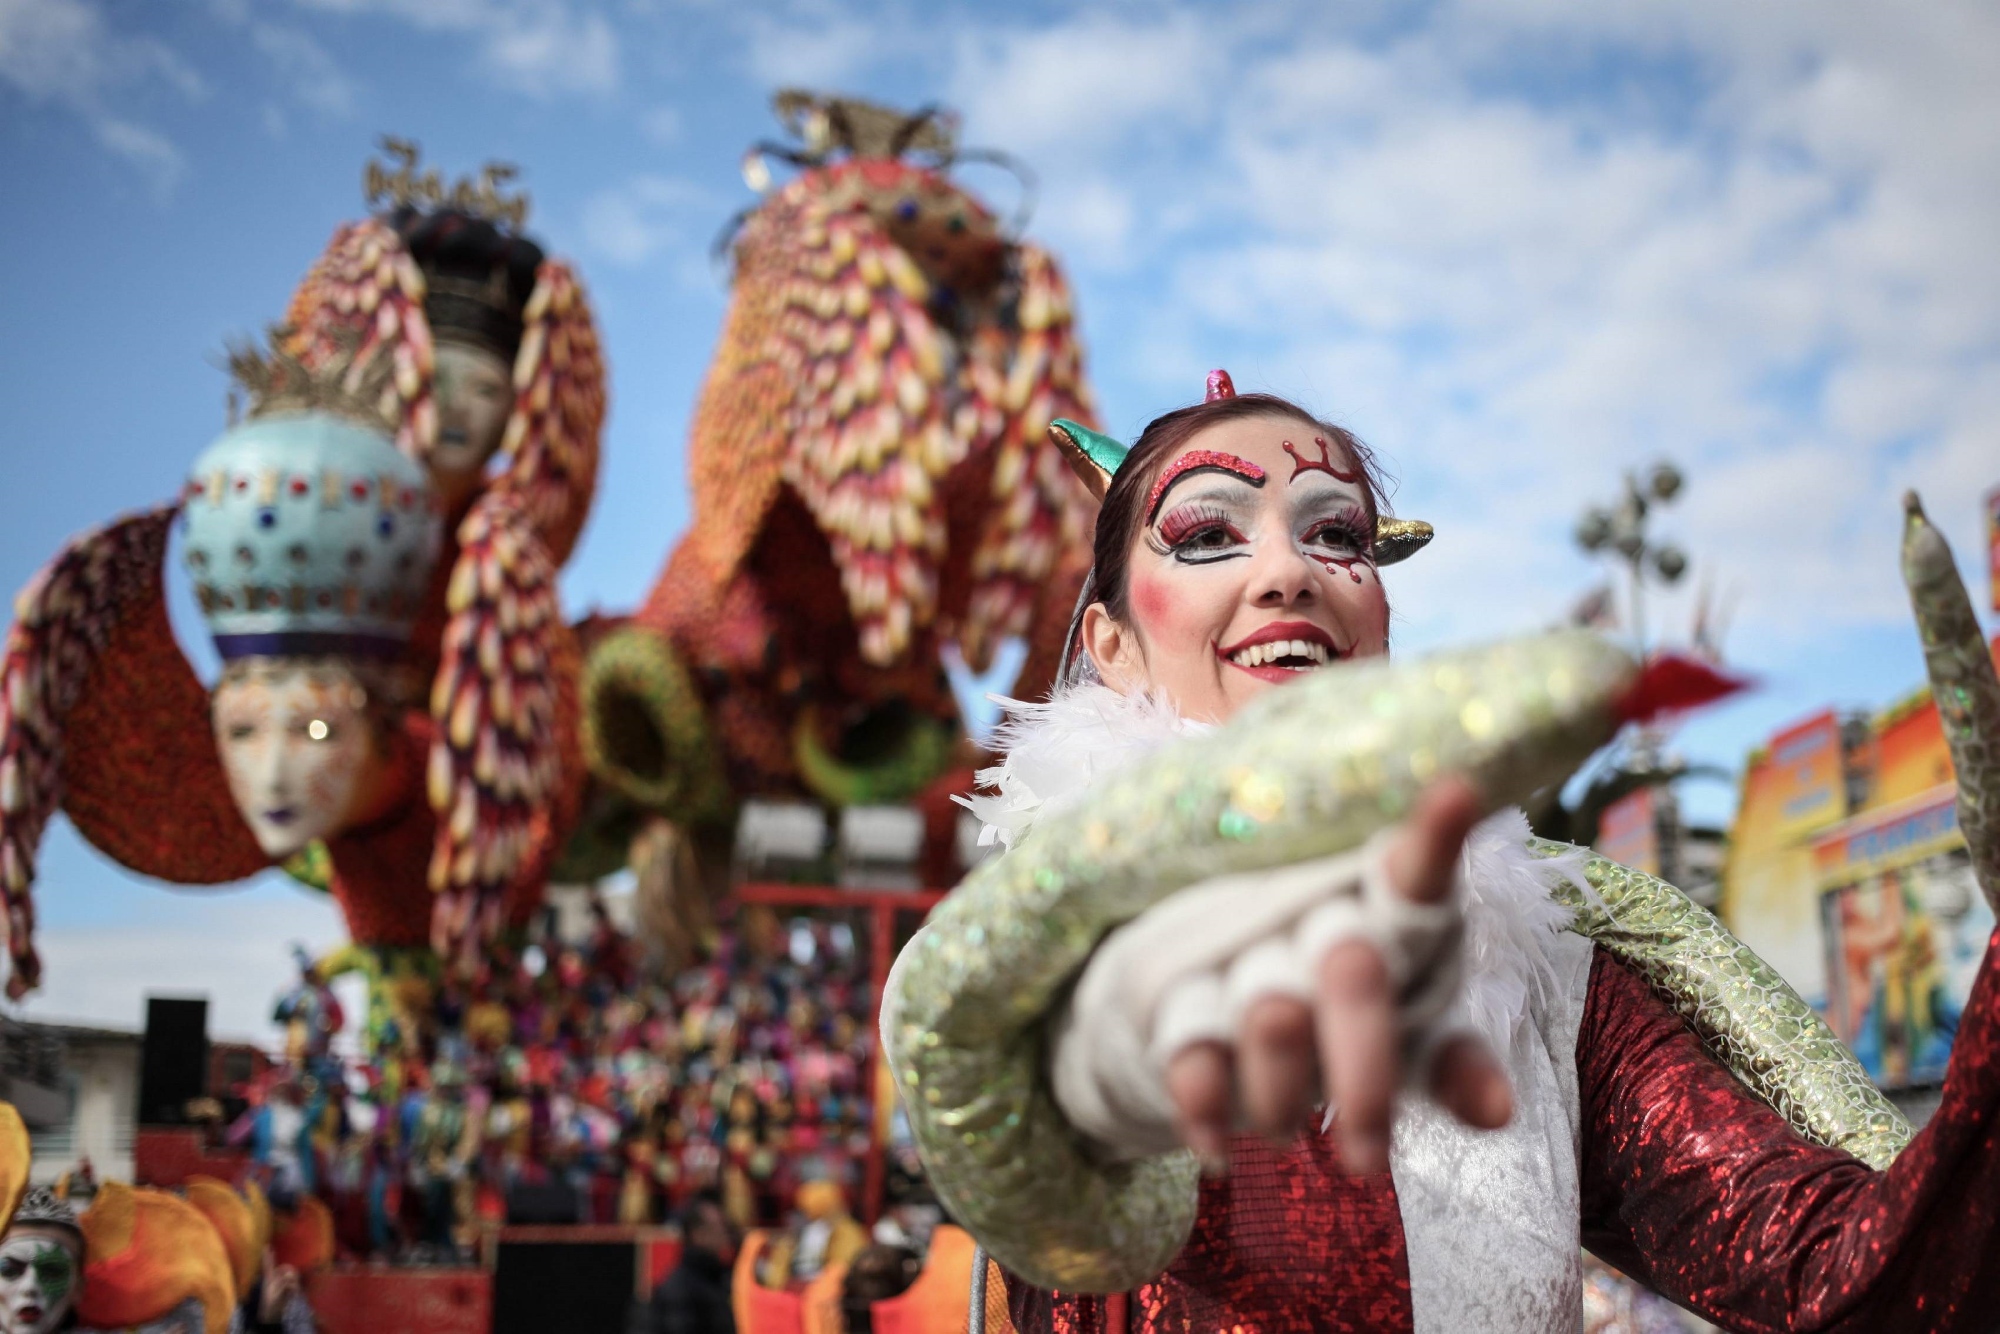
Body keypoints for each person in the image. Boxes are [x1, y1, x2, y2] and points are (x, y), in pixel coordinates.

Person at [885, 373, 2000, 1331]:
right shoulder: (1045, 958)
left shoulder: (1557, 973)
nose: (1288, 572)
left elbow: (1843, 1272)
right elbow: (1037, 1146)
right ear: (1112, 645)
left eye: (1336, 533)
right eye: (1209, 533)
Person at [641, 1194, 735, 1334]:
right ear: (697, 1234)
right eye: (718, 1227)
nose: (725, 1234)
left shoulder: (717, 1278)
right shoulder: (681, 1287)